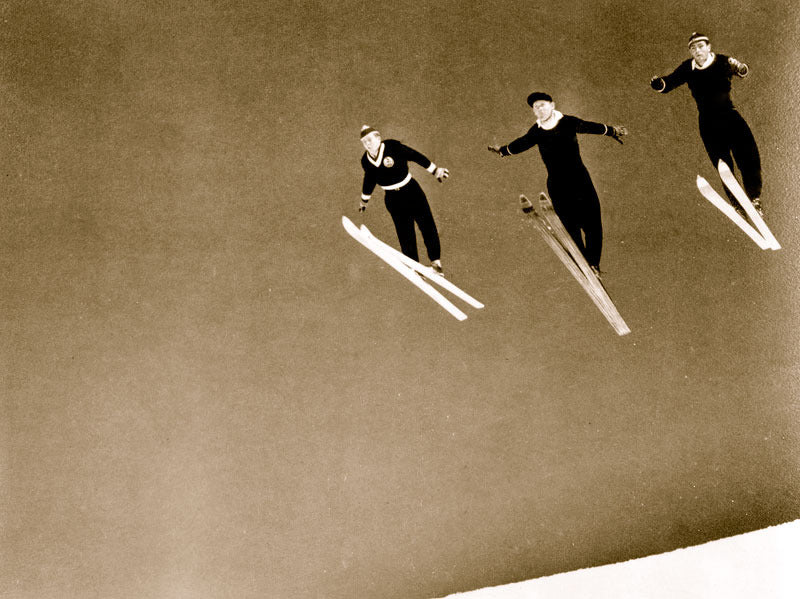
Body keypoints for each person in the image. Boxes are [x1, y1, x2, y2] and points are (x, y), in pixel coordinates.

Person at [488, 92, 627, 277]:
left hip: (580, 181)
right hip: (557, 184)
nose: (539, 109)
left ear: (552, 105)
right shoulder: (536, 131)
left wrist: (611, 130)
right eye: (535, 107)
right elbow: (522, 143)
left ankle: (593, 263)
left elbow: (587, 126)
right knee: (571, 225)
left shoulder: (567, 122)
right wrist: (503, 151)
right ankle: (583, 261)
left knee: (592, 222)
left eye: (542, 105)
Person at [650, 32, 763, 214]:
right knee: (723, 164)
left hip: (730, 117)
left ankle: (754, 198)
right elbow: (669, 83)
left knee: (748, 155)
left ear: (709, 47)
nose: (697, 51)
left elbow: (742, 71)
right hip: (708, 123)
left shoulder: (722, 61)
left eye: (701, 46)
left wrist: (740, 67)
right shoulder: (688, 68)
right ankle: (737, 202)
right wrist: (658, 84)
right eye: (693, 49)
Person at [358, 125, 450, 273]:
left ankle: (436, 263)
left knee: (426, 225)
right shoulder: (365, 161)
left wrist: (435, 170)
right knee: (404, 233)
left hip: (411, 191)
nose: (367, 144)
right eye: (364, 142)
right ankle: (415, 266)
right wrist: (364, 200)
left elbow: (415, 155)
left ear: (378, 138)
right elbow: (369, 180)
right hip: (392, 199)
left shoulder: (393, 147)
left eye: (369, 140)